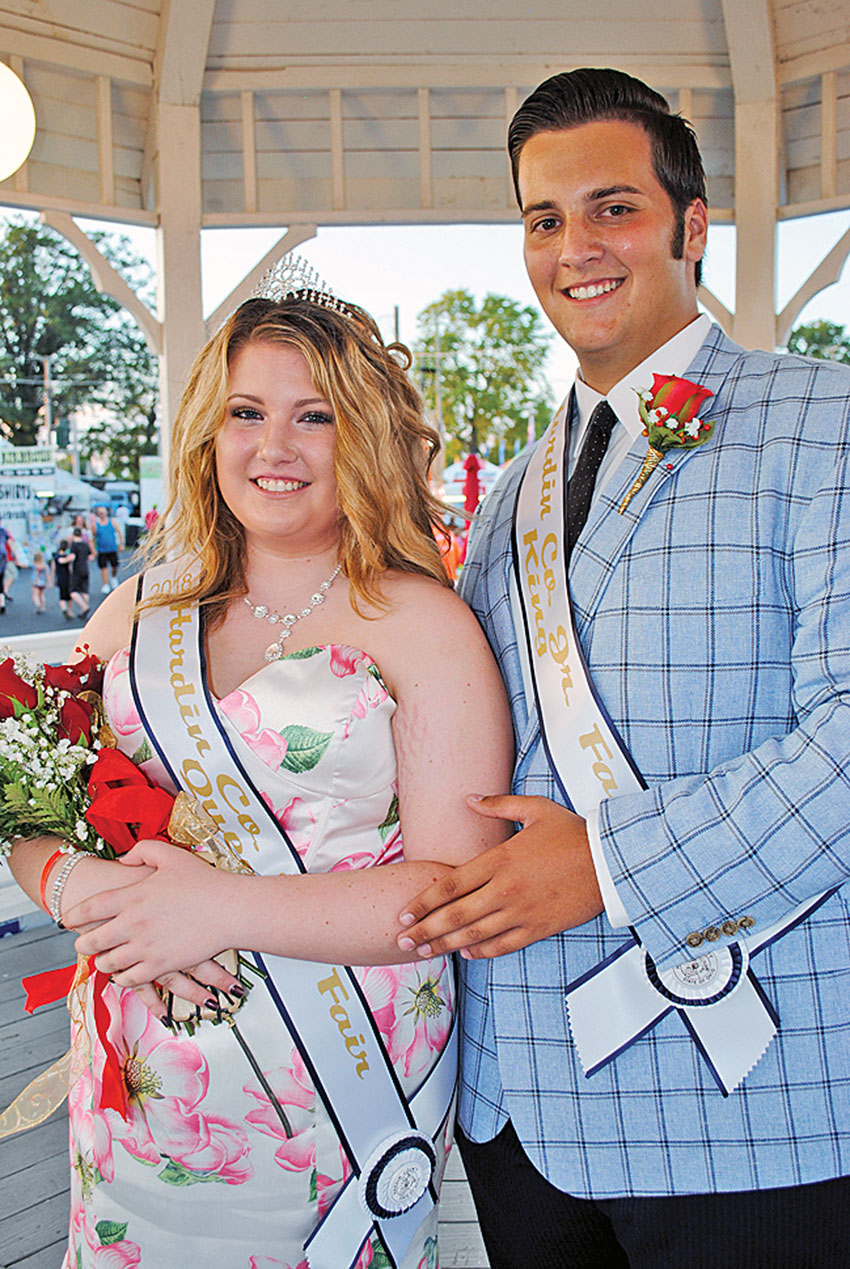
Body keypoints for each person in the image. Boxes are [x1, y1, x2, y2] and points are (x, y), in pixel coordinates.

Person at [396, 67, 850, 1268]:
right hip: (516, 1105)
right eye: (543, 219)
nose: (574, 248)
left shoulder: (825, 424)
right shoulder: (512, 494)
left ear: (692, 225)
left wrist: (609, 866)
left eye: (614, 208)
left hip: (749, 1098)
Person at [8, 274, 512, 1268]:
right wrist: (80, 890)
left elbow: (455, 890)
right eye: (246, 412)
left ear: (363, 436)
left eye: (312, 416)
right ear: (209, 430)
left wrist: (215, 909)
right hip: (136, 1083)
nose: (273, 446)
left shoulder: (423, 625)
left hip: (332, 1091)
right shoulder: (138, 609)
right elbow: (29, 803)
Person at [92, 503, 123, 593]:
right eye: (99, 512)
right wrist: (93, 549)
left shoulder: (112, 522)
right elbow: (93, 537)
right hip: (102, 549)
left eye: (103, 512)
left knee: (115, 566)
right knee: (103, 567)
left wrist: (121, 544)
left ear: (106, 512)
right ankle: (105, 584)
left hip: (112, 548)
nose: (101, 514)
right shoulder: (96, 525)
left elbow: (119, 533)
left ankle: (113, 577)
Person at [68, 524, 91, 618]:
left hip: (77, 569)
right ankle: (85, 610)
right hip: (85, 568)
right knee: (85, 590)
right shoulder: (85, 544)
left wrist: (65, 560)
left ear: (73, 535)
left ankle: (84, 607)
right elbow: (90, 556)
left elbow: (72, 557)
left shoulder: (74, 545)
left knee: (73, 591)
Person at [52, 537, 75, 620]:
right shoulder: (67, 556)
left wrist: (53, 578)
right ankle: (70, 611)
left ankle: (64, 608)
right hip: (68, 578)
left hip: (60, 578)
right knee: (70, 597)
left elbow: (53, 568)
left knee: (62, 596)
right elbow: (70, 568)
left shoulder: (56, 556)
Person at [30, 549, 47, 614]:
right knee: (41, 594)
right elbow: (47, 573)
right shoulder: (44, 565)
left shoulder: (34, 565)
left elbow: (26, 565)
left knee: (35, 594)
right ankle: (43, 607)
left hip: (35, 581)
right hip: (42, 582)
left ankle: (38, 604)